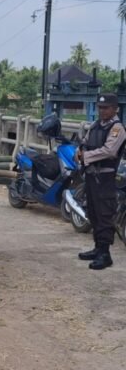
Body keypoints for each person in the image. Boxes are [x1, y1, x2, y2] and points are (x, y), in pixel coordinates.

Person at [75, 93, 126, 270]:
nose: (102, 111)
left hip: (105, 177)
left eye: (106, 108)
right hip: (91, 175)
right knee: (93, 212)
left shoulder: (117, 128)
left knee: (104, 214)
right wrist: (79, 152)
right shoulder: (96, 125)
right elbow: (85, 141)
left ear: (115, 109)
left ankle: (105, 254)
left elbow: (109, 151)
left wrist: (86, 156)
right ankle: (97, 248)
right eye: (100, 107)